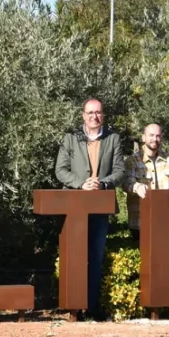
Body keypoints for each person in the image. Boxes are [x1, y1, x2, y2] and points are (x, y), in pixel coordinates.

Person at [54, 98, 124, 321]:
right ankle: (75, 307)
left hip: (99, 207)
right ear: (83, 115)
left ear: (103, 115)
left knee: (95, 256)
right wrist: (81, 184)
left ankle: (91, 306)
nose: (95, 116)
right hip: (75, 207)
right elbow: (60, 170)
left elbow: (120, 170)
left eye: (98, 112)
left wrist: (102, 184)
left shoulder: (113, 139)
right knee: (75, 256)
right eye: (90, 112)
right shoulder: (71, 139)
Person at [123, 123, 169, 241]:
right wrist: (137, 186)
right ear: (143, 137)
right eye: (151, 135)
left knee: (167, 258)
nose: (155, 139)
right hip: (140, 222)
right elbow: (126, 183)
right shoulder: (132, 161)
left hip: (165, 221)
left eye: (158, 136)